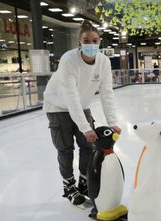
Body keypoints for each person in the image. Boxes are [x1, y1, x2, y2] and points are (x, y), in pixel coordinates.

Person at [43, 21, 121, 206]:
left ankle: (84, 181)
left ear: (100, 42)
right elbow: (70, 96)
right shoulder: (69, 60)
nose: (91, 44)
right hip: (58, 106)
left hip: (82, 106)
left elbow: (107, 93)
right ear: (79, 41)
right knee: (65, 148)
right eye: (87, 40)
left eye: (95, 40)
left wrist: (113, 122)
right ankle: (69, 186)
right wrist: (85, 127)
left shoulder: (103, 62)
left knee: (88, 146)